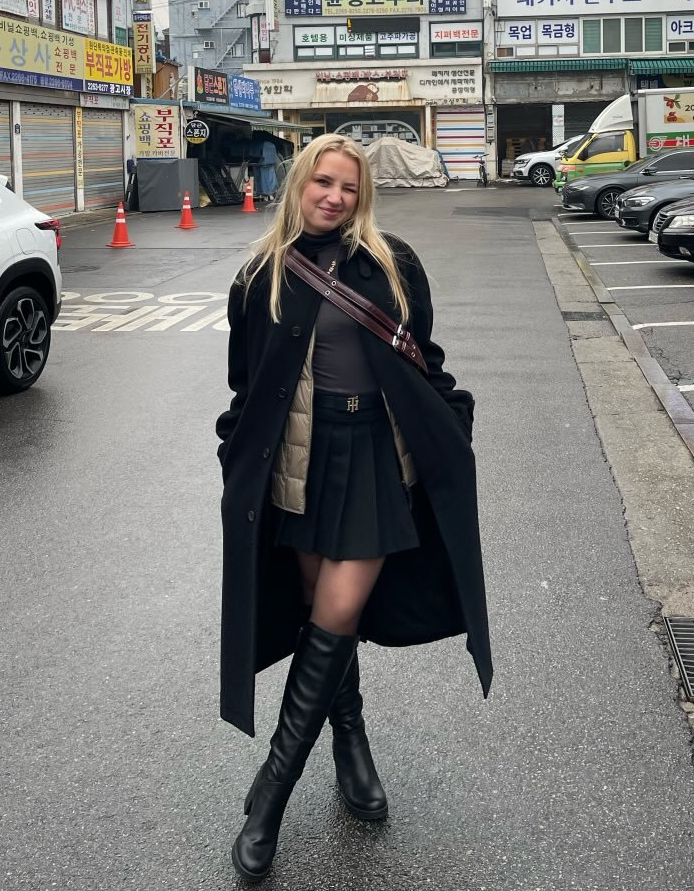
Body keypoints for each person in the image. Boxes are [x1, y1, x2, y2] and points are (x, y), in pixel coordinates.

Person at [215, 133, 492, 883]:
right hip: (300, 461)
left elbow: (425, 360)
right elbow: (246, 383)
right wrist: (234, 454)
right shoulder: (260, 276)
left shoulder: (392, 263)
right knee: (321, 618)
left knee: (338, 612)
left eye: (348, 187)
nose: (334, 197)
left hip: (372, 454)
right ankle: (351, 744)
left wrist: (453, 427)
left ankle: (270, 796)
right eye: (323, 183)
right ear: (299, 185)